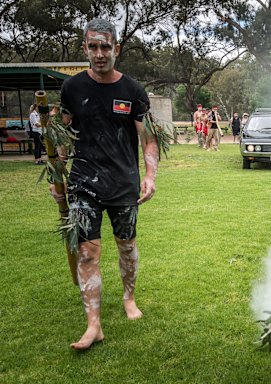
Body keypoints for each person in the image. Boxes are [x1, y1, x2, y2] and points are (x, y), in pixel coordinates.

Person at [49, 18, 158, 350]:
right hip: (84, 182)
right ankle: (93, 324)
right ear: (85, 48)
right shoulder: (73, 89)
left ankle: (129, 298)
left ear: (117, 49)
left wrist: (150, 174)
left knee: (126, 247)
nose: (99, 53)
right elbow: (62, 137)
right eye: (93, 47)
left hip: (123, 184)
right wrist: (59, 177)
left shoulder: (133, 91)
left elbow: (150, 140)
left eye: (106, 47)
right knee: (87, 252)